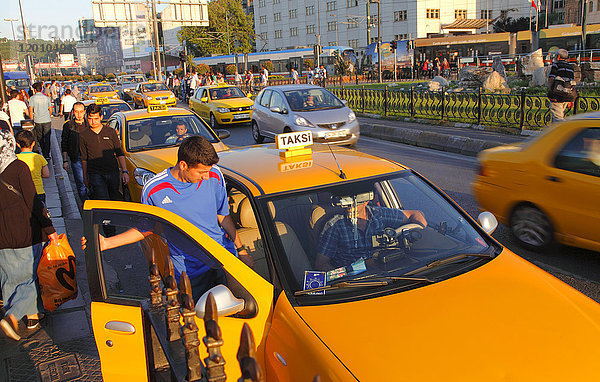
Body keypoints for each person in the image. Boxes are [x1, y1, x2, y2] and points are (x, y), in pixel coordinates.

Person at [82, 136, 254, 301]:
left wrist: (241, 250)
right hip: (190, 273)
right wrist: (107, 243)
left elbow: (222, 215)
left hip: (224, 261)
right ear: (184, 165)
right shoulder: (155, 189)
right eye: (201, 172)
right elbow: (146, 228)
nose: (206, 177)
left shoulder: (214, 174)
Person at [0, 130, 58, 341]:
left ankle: (32, 317)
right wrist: (49, 228)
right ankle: (12, 316)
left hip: (2, 235)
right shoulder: (18, 167)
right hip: (25, 230)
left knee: (10, 278)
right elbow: (33, 201)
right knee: (29, 276)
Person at [315, 191, 427, 270]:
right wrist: (341, 278)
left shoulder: (380, 214)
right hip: (356, 282)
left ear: (366, 200)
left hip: (388, 273)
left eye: (355, 201)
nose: (350, 206)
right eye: (346, 201)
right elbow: (321, 263)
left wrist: (419, 233)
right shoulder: (334, 226)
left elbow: (416, 214)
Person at [79, 103, 128, 206]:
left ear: (101, 117)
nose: (93, 122)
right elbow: (84, 159)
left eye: (96, 118)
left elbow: (119, 153)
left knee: (115, 198)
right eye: (90, 119)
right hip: (95, 174)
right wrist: (85, 177)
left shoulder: (110, 132)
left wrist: (124, 171)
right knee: (103, 200)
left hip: (112, 172)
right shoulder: (83, 135)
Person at [61, 102, 88, 201]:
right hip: (76, 158)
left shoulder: (89, 124)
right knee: (81, 183)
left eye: (81, 111)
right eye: (76, 112)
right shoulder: (68, 125)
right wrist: (65, 160)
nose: (79, 114)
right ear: (73, 112)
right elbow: (64, 142)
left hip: (90, 157)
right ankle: (85, 203)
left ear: (84, 112)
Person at [15, 130, 50, 205]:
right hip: (38, 191)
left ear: (17, 144)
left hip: (22, 192)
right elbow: (46, 174)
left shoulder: (16, 158)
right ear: (33, 143)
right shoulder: (39, 157)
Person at [548, 49, 576, 122]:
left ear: (558, 56)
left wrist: (550, 92)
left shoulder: (556, 65)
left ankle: (564, 131)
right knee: (558, 116)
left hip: (557, 93)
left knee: (557, 117)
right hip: (567, 94)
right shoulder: (570, 67)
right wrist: (571, 100)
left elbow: (552, 78)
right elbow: (572, 82)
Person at [29, 82, 53, 160]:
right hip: (47, 119)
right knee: (47, 136)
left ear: (35, 90)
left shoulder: (32, 98)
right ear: (42, 89)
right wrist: (48, 115)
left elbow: (30, 109)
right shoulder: (46, 98)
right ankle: (47, 154)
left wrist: (32, 119)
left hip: (37, 119)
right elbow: (50, 109)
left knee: (40, 137)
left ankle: (43, 151)